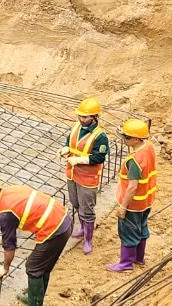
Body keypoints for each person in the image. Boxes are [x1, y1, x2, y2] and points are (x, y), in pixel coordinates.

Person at [0, 176, 72, 306]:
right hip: (64, 218)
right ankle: (35, 299)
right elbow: (18, 216)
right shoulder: (10, 190)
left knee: (33, 267)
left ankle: (35, 303)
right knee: (42, 267)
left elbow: (10, 247)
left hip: (54, 230)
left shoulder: (5, 214)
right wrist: (3, 238)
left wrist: (5, 268)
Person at [58, 97, 109, 254]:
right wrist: (66, 148)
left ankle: (88, 239)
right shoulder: (76, 127)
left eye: (85, 117)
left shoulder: (100, 136)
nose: (81, 119)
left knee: (87, 209)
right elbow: (70, 141)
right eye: (80, 116)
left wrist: (79, 159)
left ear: (94, 117)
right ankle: (82, 228)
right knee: (76, 203)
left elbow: (99, 157)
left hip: (87, 178)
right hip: (72, 174)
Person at [107, 119, 157, 272]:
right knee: (141, 228)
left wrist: (123, 206)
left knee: (128, 231)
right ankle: (139, 258)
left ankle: (126, 263)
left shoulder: (134, 160)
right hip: (146, 200)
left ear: (136, 139)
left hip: (133, 204)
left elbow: (132, 187)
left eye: (126, 137)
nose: (124, 139)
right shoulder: (149, 147)